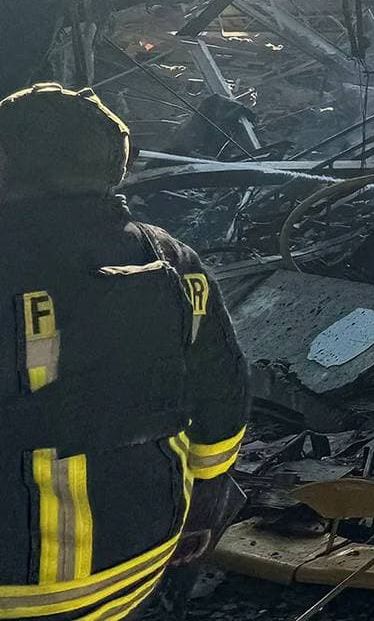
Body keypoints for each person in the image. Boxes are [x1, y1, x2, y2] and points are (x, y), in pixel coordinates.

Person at [0, 83, 250, 621]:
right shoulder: (173, 259)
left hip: (20, 581)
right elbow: (223, 391)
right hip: (141, 558)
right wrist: (208, 494)